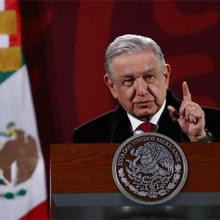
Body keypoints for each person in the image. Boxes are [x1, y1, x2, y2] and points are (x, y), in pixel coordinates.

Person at [73, 34, 220, 143]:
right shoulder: (88, 137)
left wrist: (199, 139)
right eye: (129, 81)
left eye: (149, 77)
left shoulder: (214, 123)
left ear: (166, 75)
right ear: (112, 86)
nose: (142, 91)